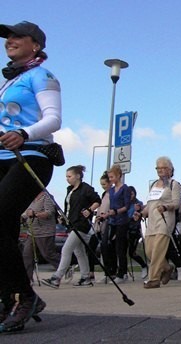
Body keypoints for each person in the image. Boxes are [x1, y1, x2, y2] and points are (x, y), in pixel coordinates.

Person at [0, 21, 61, 332]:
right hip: (2, 157)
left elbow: (53, 119)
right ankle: (8, 297)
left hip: (31, 157)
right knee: (5, 229)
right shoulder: (9, 82)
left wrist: (24, 133)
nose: (9, 41)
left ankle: (25, 297)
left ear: (35, 44)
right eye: (7, 37)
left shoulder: (42, 76)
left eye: (17, 36)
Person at [41, 165, 101, 289]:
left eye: (70, 176)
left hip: (81, 224)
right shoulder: (70, 190)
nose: (67, 179)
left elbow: (97, 200)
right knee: (79, 252)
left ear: (78, 176)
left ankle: (56, 278)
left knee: (66, 250)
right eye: (66, 177)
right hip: (72, 224)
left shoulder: (86, 189)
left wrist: (89, 210)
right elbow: (70, 208)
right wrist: (63, 218)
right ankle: (85, 278)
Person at [134, 156, 181, 288]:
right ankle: (166, 268)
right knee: (149, 251)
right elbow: (149, 205)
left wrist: (166, 207)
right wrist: (141, 213)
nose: (160, 170)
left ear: (170, 170)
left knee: (157, 251)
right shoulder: (153, 185)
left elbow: (177, 203)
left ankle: (153, 279)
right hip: (152, 221)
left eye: (163, 168)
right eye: (158, 168)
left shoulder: (174, 184)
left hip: (165, 219)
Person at [21, 192, 60, 283]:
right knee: (27, 254)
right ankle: (28, 278)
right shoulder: (30, 197)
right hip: (32, 231)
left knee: (47, 254)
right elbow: (25, 213)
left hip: (45, 232)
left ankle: (64, 266)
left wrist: (35, 214)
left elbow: (49, 212)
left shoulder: (46, 197)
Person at [102, 164, 131, 283]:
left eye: (112, 177)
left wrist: (116, 211)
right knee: (109, 246)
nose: (111, 179)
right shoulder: (111, 190)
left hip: (122, 221)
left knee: (120, 247)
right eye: (109, 177)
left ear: (119, 175)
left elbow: (127, 206)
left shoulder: (125, 189)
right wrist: (107, 214)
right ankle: (112, 271)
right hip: (112, 220)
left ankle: (122, 272)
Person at [127, 186, 148, 280]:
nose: (130, 196)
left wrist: (137, 210)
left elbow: (138, 215)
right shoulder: (125, 203)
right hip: (125, 229)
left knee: (132, 252)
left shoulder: (138, 203)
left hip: (135, 231)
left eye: (131, 194)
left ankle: (144, 266)